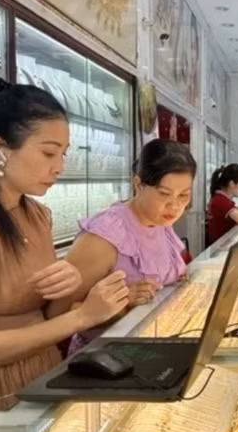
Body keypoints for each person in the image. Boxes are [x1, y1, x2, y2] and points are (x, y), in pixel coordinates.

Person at [0, 77, 128, 410]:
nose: (59, 167)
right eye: (48, 153)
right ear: (1, 149)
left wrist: (69, 287)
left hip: (39, 376)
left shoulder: (37, 215)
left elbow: (44, 316)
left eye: (63, 154)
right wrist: (80, 318)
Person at [59, 139, 196, 355]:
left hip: (150, 348)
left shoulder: (160, 221)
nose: (175, 205)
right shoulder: (104, 236)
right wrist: (123, 302)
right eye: (164, 194)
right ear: (139, 184)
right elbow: (58, 314)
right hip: (103, 359)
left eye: (184, 195)